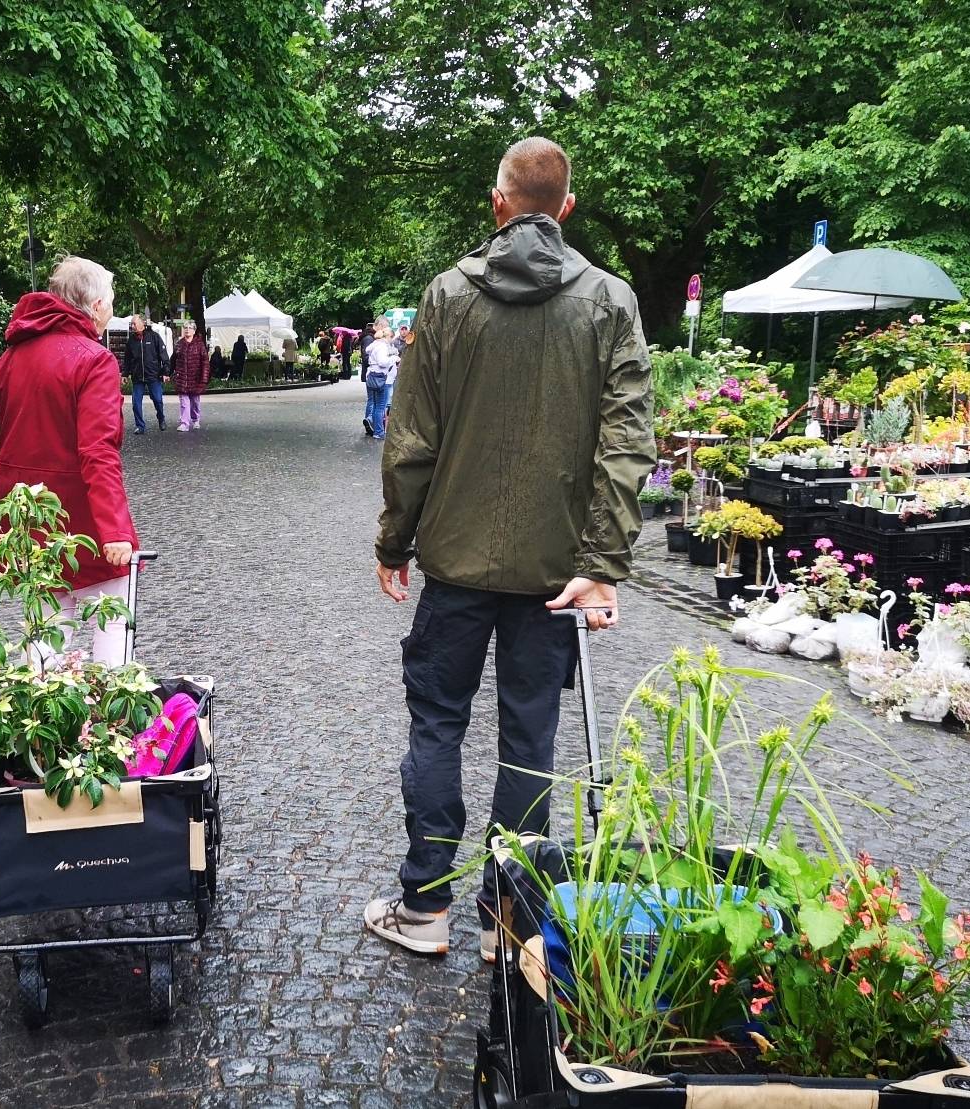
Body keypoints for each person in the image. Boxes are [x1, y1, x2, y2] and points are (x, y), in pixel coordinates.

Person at [363, 137, 654, 958]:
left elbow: (409, 438)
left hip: (454, 563)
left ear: (498, 203)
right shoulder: (608, 301)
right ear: (565, 208)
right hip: (553, 574)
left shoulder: (448, 296)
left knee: (436, 726)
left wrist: (394, 540)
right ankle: (510, 918)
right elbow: (626, 440)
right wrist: (600, 563)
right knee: (530, 737)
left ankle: (423, 906)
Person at [0, 256, 138, 666]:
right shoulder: (94, 359)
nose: (111, 311)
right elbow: (98, 450)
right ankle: (111, 713)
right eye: (109, 302)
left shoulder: (10, 359)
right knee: (112, 616)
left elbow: (8, 443)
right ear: (94, 306)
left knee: (45, 639)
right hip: (81, 518)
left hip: (26, 516)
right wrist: (115, 530)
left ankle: (44, 724)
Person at [123, 314, 169, 434]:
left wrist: (165, 371)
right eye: (131, 324)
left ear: (142, 323)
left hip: (153, 375)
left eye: (134, 323)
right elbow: (127, 359)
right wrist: (125, 374)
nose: (132, 326)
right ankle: (140, 426)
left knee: (158, 400)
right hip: (137, 377)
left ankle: (161, 418)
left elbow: (163, 355)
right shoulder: (131, 341)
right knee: (136, 403)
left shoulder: (154, 337)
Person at [171, 319, 211, 430]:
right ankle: (184, 423)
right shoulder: (179, 345)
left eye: (189, 328)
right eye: (185, 328)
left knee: (195, 402)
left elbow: (205, 362)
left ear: (194, 331)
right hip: (182, 378)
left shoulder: (199, 345)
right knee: (184, 402)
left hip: (195, 379)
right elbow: (173, 360)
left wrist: (204, 378)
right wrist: (168, 373)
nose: (187, 330)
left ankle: (195, 419)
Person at [363, 320, 399, 439]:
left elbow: (368, 352)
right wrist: (393, 359)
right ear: (388, 336)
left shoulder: (375, 345)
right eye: (391, 337)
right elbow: (383, 362)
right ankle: (378, 432)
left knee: (373, 402)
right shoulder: (382, 346)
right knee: (380, 406)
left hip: (371, 376)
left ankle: (370, 422)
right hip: (380, 377)